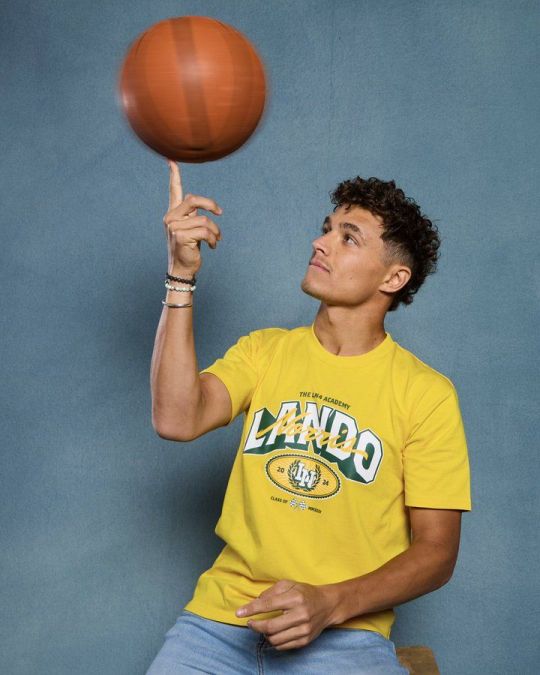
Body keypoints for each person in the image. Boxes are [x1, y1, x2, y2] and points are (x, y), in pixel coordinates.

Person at [146, 160, 472, 674]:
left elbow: (437, 552)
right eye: (326, 229)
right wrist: (180, 276)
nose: (320, 244)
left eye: (349, 238)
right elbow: (176, 419)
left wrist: (332, 603)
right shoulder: (266, 351)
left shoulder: (425, 394)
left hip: (345, 636)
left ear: (394, 277)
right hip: (221, 623)